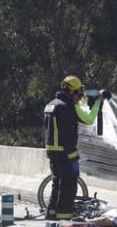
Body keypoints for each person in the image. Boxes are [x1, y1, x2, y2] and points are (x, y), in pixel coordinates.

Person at [43, 76, 109, 219]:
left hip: (52, 152)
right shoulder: (66, 108)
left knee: (56, 185)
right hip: (65, 153)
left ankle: (51, 215)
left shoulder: (52, 104)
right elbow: (71, 130)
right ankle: (64, 219)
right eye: (79, 92)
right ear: (72, 92)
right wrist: (73, 156)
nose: (80, 96)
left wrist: (94, 96)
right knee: (68, 187)